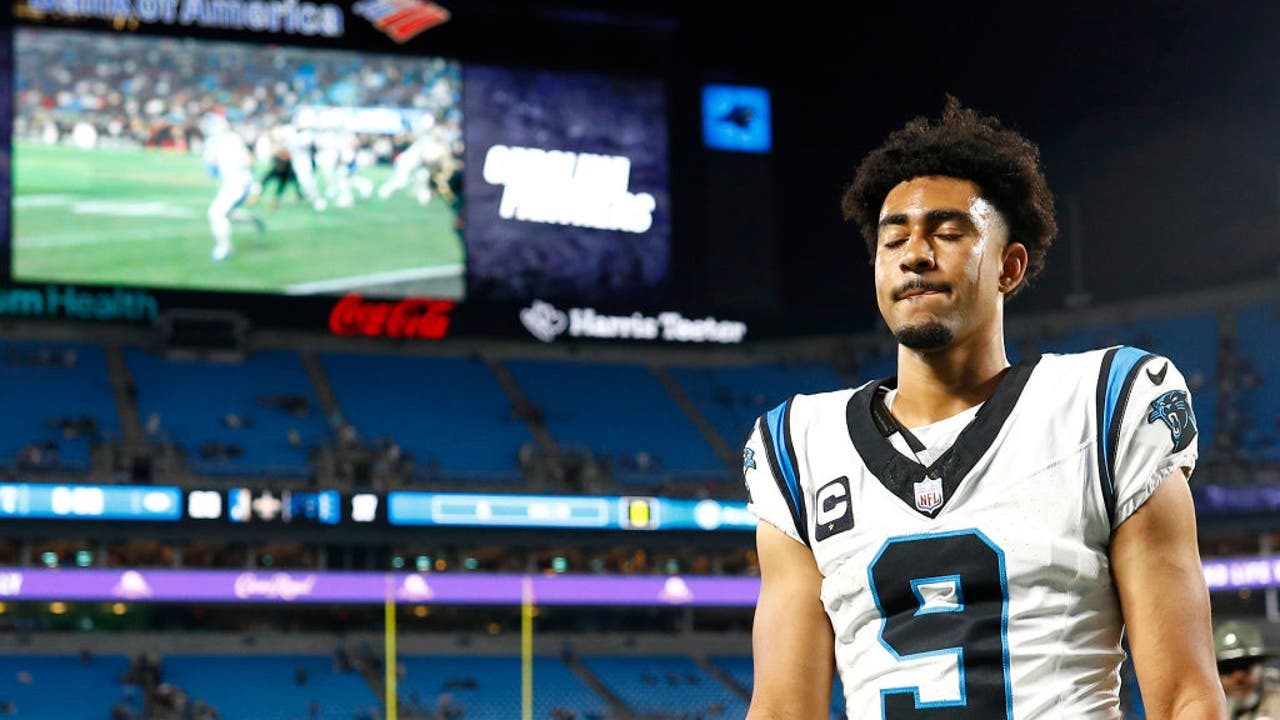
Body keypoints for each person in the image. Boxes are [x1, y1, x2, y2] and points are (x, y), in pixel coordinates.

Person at [742, 97, 1226, 718]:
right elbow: (782, 709)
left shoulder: (1104, 405)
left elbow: (1186, 698)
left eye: (947, 233)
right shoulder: (798, 445)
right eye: (894, 240)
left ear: (1009, 266)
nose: (915, 254)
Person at [1215, 620, 1280, 719]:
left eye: (1244, 666)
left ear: (1262, 666)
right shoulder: (1213, 711)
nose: (1238, 677)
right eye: (1227, 668)